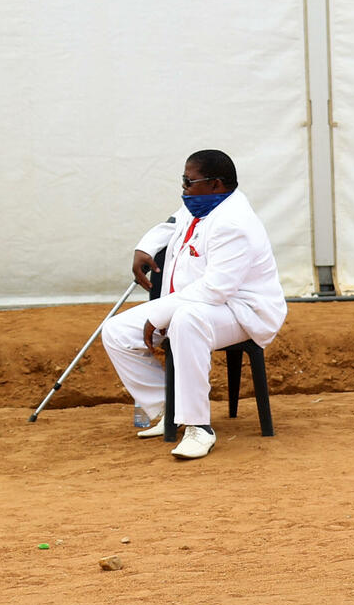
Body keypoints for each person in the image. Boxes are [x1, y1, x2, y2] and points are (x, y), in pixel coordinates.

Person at [102, 149, 286, 459]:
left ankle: (198, 427)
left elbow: (217, 289)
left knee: (187, 319)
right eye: (183, 181)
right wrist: (145, 248)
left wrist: (160, 313)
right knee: (116, 332)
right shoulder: (201, 205)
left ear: (215, 184)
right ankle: (166, 408)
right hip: (194, 302)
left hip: (242, 310)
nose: (184, 189)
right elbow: (172, 223)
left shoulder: (233, 222)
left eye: (189, 181)